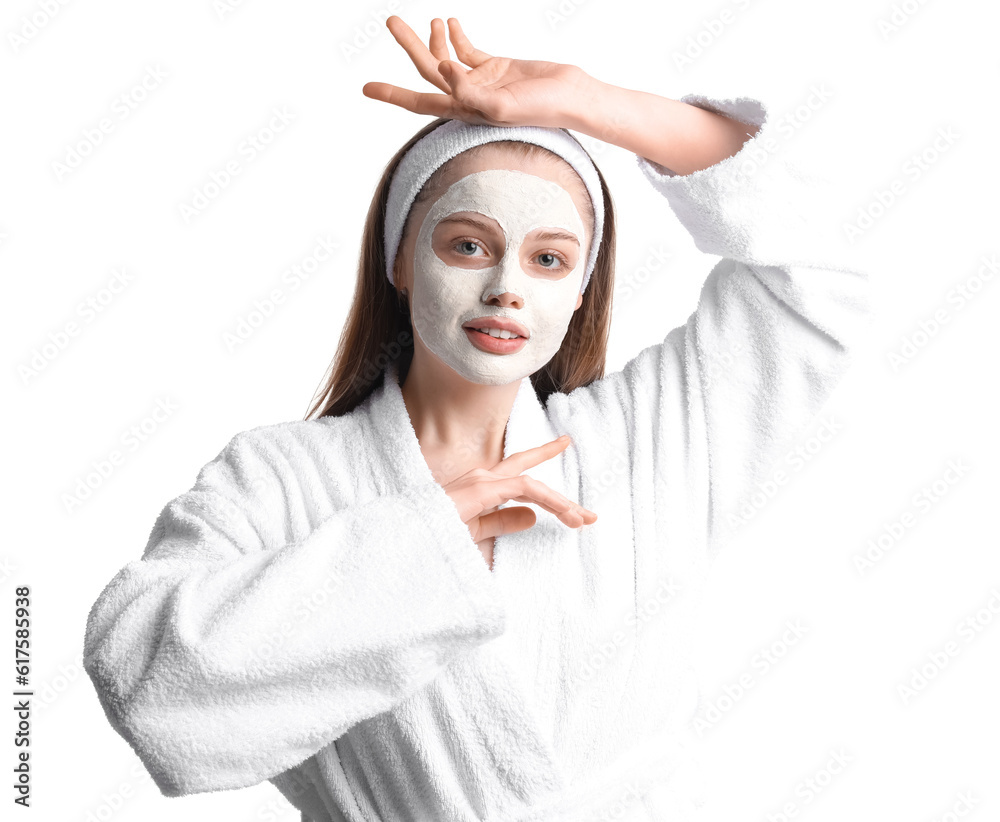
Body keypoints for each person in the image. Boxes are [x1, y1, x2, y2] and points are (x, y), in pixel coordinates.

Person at [82, 16, 872, 822]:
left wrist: (591, 101)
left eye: (549, 259)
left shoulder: (644, 442)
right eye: (467, 245)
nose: (507, 288)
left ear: (580, 288)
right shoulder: (283, 478)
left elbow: (822, 283)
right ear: (400, 255)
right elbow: (146, 681)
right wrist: (422, 542)